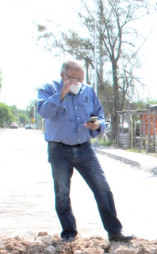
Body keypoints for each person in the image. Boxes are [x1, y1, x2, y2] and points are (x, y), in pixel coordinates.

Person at [37, 59, 133, 243]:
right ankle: (69, 233)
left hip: (84, 148)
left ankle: (114, 232)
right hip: (59, 149)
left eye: (81, 79)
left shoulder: (88, 91)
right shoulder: (48, 89)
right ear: (63, 76)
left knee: (102, 188)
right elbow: (43, 112)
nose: (78, 83)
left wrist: (98, 124)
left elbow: (99, 114)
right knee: (62, 193)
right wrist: (62, 93)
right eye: (73, 79)